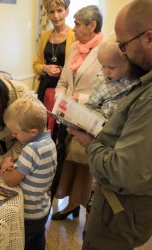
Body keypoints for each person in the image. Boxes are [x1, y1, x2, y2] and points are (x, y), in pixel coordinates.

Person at [68, 0, 152, 249]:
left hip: (122, 212)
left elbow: (121, 171)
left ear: (148, 37)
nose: (123, 52)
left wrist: (91, 144)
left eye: (124, 45)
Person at [51, 5, 103, 220]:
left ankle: (85, 212)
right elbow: (63, 82)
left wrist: (78, 100)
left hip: (89, 118)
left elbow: (107, 91)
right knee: (68, 162)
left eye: (78, 24)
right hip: (68, 115)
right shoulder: (74, 48)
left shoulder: (106, 50)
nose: (74, 27)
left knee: (85, 167)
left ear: (92, 26)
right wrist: (61, 99)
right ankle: (71, 204)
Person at [0, 96, 57, 250]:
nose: (13, 136)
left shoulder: (31, 149)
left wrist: (4, 166)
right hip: (42, 208)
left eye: (16, 133)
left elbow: (11, 181)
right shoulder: (49, 142)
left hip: (29, 213)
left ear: (32, 132)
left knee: (23, 243)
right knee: (38, 240)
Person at [33, 0, 75, 139]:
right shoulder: (45, 36)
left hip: (63, 90)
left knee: (59, 129)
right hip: (44, 89)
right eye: (51, 12)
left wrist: (63, 71)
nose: (56, 15)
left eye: (59, 10)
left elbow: (79, 68)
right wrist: (45, 67)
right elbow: (36, 64)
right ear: (47, 14)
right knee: (42, 124)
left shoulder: (74, 36)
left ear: (67, 11)